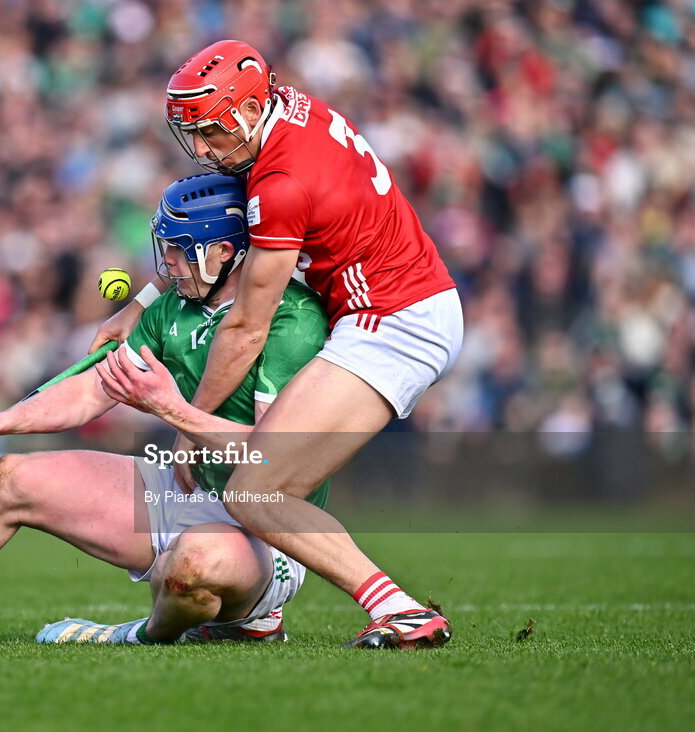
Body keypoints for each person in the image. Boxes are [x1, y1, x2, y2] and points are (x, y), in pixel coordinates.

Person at [0, 173, 330, 645]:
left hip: (265, 522)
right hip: (186, 491)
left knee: (193, 567)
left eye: (180, 248)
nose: (164, 263)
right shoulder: (171, 309)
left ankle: (140, 634)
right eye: (163, 246)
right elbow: (91, 390)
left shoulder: (293, 322)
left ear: (228, 252)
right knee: (7, 480)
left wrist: (173, 412)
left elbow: (270, 455)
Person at [91, 40, 462, 649]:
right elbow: (226, 233)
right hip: (400, 305)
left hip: (392, 319)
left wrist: (188, 424)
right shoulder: (287, 108)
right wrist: (142, 302)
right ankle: (276, 615)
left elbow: (245, 329)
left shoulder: (281, 181)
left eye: (211, 132)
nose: (202, 150)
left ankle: (399, 611)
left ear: (243, 113)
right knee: (259, 486)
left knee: (254, 491)